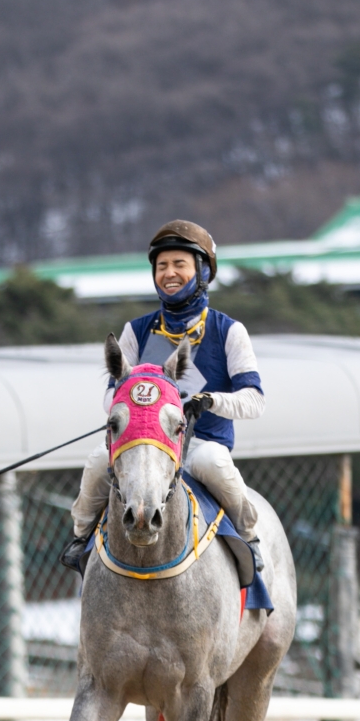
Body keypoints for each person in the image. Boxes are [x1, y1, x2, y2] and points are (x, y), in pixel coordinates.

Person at [62, 219, 265, 570]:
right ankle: (81, 537)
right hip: (142, 444)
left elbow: (255, 400)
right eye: (162, 266)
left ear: (202, 271)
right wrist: (140, 403)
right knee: (96, 461)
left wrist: (211, 401)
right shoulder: (135, 330)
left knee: (213, 463)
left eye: (179, 264)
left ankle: (250, 536)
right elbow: (110, 398)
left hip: (201, 445)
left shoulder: (230, 331)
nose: (169, 273)